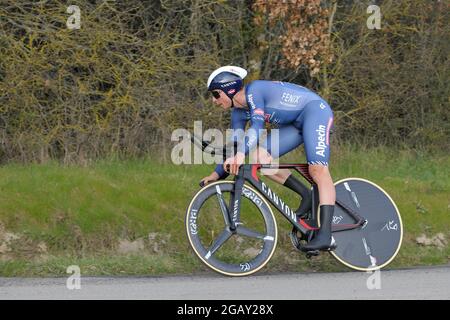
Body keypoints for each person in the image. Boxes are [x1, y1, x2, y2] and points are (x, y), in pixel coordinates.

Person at [200, 66, 335, 251]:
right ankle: (307, 194)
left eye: (216, 94)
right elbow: (235, 147)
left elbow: (257, 126)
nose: (214, 101)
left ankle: (326, 235)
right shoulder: (237, 113)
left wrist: (240, 155)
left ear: (229, 89)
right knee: (258, 157)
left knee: (317, 170)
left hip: (315, 112)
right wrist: (216, 175)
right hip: (296, 124)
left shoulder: (255, 91)